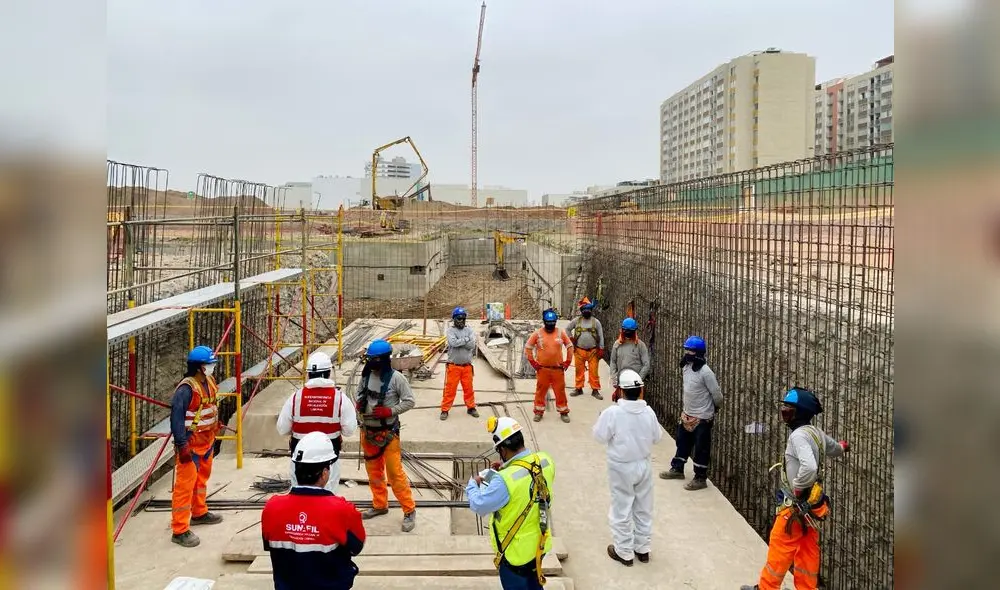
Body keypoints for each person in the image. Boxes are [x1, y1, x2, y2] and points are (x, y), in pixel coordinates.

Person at [740, 387, 849, 590]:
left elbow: (809, 467)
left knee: (779, 548)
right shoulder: (816, 433)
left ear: (800, 413)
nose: (784, 413)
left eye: (788, 410)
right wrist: (843, 447)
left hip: (794, 507)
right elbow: (834, 448)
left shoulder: (798, 436)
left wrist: (798, 487)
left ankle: (766, 588)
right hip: (813, 505)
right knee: (807, 551)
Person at [262, 431, 366, 590]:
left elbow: (269, 544)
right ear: (324, 474)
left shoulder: (272, 507)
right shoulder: (342, 510)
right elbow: (356, 547)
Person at [467, 416, 556, 590]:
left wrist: (473, 483)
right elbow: (528, 478)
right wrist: (506, 468)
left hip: (516, 554)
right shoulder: (545, 460)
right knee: (534, 582)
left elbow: (478, 504)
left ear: (503, 449)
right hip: (540, 543)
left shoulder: (504, 481)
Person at [592, 369, 664, 567]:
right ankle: (643, 549)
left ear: (621, 391)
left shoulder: (613, 413)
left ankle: (624, 552)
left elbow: (599, 436)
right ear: (640, 390)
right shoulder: (648, 412)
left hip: (621, 467)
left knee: (621, 508)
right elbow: (657, 437)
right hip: (643, 465)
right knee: (643, 507)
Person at [355, 339, 417, 532]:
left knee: (394, 473)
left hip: (388, 433)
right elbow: (359, 393)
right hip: (368, 432)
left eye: (374, 359)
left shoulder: (396, 379)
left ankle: (409, 509)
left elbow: (409, 401)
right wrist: (359, 403)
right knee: (374, 472)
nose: (370, 363)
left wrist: (390, 411)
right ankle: (380, 504)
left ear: (383, 359)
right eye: (369, 359)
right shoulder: (366, 376)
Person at [276, 351, 357, 494]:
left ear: (308, 374)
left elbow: (282, 428)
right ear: (328, 373)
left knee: (299, 497)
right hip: (328, 463)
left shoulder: (295, 397)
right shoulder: (340, 399)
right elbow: (349, 430)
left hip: (299, 462)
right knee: (328, 498)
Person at [169, 345, 224, 547]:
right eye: (210, 364)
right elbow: (176, 418)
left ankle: (199, 512)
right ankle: (179, 530)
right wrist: (181, 445)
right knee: (184, 487)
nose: (212, 367)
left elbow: (210, 406)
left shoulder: (209, 381)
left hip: (206, 441)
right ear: (200, 367)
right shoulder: (186, 389)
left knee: (201, 480)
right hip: (191, 445)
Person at [659, 336, 724, 491]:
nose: (687, 353)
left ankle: (700, 478)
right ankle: (677, 469)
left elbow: (717, 395)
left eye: (691, 351)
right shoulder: (686, 367)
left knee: (701, 448)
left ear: (699, 353)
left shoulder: (706, 372)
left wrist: (715, 408)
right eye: (686, 350)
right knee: (682, 442)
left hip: (702, 417)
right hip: (687, 414)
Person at [524, 308, 574, 423]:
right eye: (548, 322)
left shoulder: (560, 333)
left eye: (553, 322)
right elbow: (528, 347)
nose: (550, 325)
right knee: (541, 391)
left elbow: (570, 346)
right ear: (544, 322)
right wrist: (533, 362)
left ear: (555, 322)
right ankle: (538, 411)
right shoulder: (537, 334)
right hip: (543, 369)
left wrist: (568, 361)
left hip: (558, 369)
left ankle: (563, 411)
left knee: (560, 391)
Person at [440, 306, 480, 420]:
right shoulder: (450, 331)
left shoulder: (469, 330)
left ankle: (471, 407)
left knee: (469, 389)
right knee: (450, 390)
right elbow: (453, 343)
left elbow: (472, 345)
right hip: (454, 366)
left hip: (467, 367)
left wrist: (460, 341)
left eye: (463, 318)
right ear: (454, 319)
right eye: (459, 318)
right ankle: (445, 409)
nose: (461, 320)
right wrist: (466, 339)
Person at [566, 297, 605, 400]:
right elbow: (567, 329)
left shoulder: (596, 322)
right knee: (579, 371)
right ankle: (578, 388)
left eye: (588, 309)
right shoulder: (576, 321)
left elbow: (601, 336)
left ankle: (595, 390)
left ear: (591, 310)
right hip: (579, 350)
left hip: (593, 351)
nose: (586, 311)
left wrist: (601, 348)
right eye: (584, 309)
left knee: (594, 372)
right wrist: (571, 338)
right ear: (581, 310)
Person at [608, 318, 650, 402]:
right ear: (622, 330)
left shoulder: (640, 345)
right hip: (622, 384)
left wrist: (638, 379)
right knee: (623, 406)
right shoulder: (617, 345)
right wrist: (615, 379)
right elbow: (613, 362)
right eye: (626, 330)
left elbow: (646, 364)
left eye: (630, 331)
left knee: (637, 405)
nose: (628, 333)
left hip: (637, 386)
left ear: (635, 331)